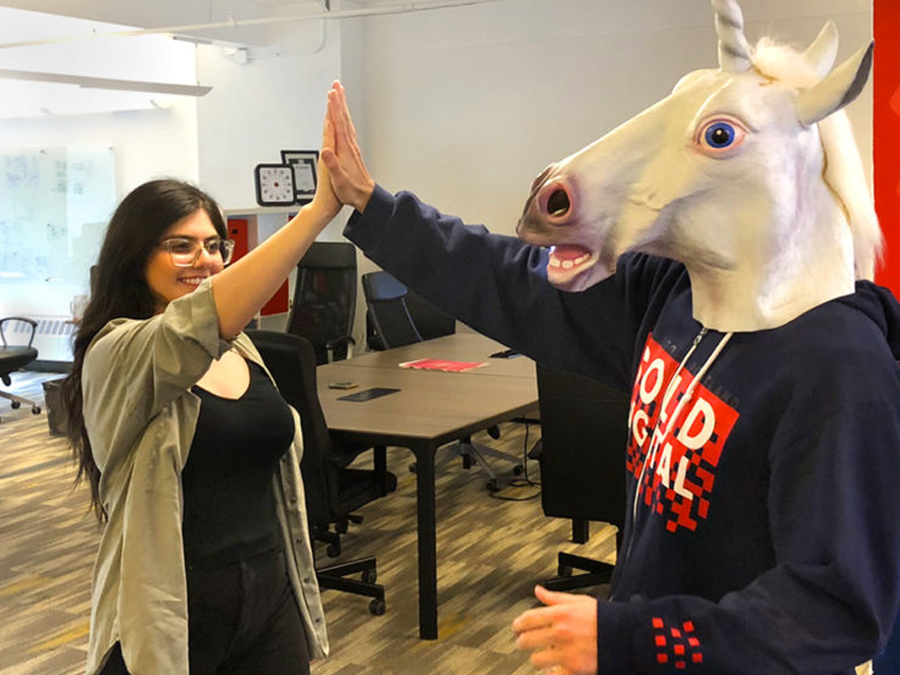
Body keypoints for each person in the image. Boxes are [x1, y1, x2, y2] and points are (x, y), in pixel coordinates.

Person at [321, 80, 900, 674]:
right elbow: (516, 281)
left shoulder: (839, 368)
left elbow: (836, 610)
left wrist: (637, 640)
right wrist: (375, 208)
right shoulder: (678, 292)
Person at [61, 113, 343, 675]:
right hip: (172, 603)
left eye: (215, 245)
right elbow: (193, 326)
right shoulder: (119, 352)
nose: (206, 260)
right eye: (180, 246)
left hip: (267, 591)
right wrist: (316, 213)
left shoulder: (240, 348)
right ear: (135, 257)